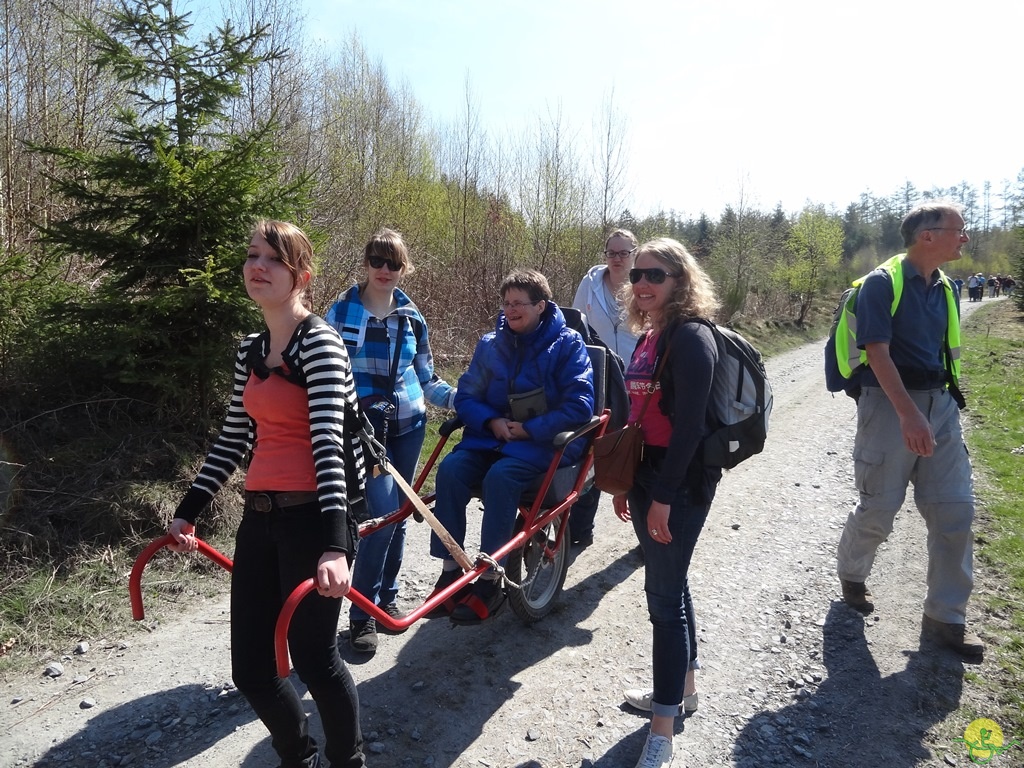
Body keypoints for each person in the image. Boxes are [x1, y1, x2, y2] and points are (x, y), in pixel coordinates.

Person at [167, 220, 366, 767]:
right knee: (251, 669)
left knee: (314, 658)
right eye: (253, 255)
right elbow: (233, 437)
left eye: (273, 259)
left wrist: (334, 545)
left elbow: (327, 441)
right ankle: (296, 756)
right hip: (259, 519)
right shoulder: (249, 350)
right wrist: (188, 512)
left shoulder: (321, 343)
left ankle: (350, 761)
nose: (258, 266)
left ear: (300, 276)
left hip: (314, 518)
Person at [836, 203, 983, 659]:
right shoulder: (882, 284)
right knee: (879, 509)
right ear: (927, 235)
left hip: (939, 406)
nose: (964, 238)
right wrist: (908, 415)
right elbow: (876, 353)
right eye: (959, 231)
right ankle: (853, 573)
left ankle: (946, 618)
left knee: (955, 511)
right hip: (889, 404)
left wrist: (937, 409)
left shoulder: (947, 287)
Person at [428, 268, 594, 625]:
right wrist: (492, 422)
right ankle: (451, 570)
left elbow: (580, 405)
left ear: (541, 306)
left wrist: (529, 430)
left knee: (501, 477)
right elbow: (467, 396)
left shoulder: (567, 345)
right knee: (451, 470)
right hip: (491, 437)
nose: (511, 310)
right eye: (506, 303)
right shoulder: (490, 344)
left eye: (519, 303)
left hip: (543, 445)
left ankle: (490, 579)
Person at [613, 238, 723, 768]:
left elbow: (689, 430)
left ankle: (662, 729)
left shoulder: (692, 337)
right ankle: (685, 692)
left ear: (680, 279)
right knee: (673, 585)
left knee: (662, 601)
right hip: (648, 476)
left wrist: (661, 497)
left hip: (677, 481)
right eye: (637, 274)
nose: (642, 283)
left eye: (654, 274)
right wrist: (628, 483)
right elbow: (641, 417)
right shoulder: (650, 335)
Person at [325, 229, 456, 654]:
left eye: (393, 263)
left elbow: (427, 378)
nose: (385, 270)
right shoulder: (340, 310)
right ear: (365, 263)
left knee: (400, 513)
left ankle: (387, 596)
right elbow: (324, 373)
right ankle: (361, 615)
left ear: (404, 268)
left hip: (409, 423)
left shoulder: (412, 316)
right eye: (377, 261)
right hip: (363, 429)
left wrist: (464, 401)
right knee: (380, 516)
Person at [568, 228, 642, 547]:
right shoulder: (591, 283)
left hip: (638, 379)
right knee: (594, 451)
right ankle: (581, 531)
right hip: (599, 378)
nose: (616, 259)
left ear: (634, 254)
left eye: (623, 253)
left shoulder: (645, 285)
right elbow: (574, 324)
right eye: (611, 252)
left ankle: (647, 534)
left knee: (639, 453)